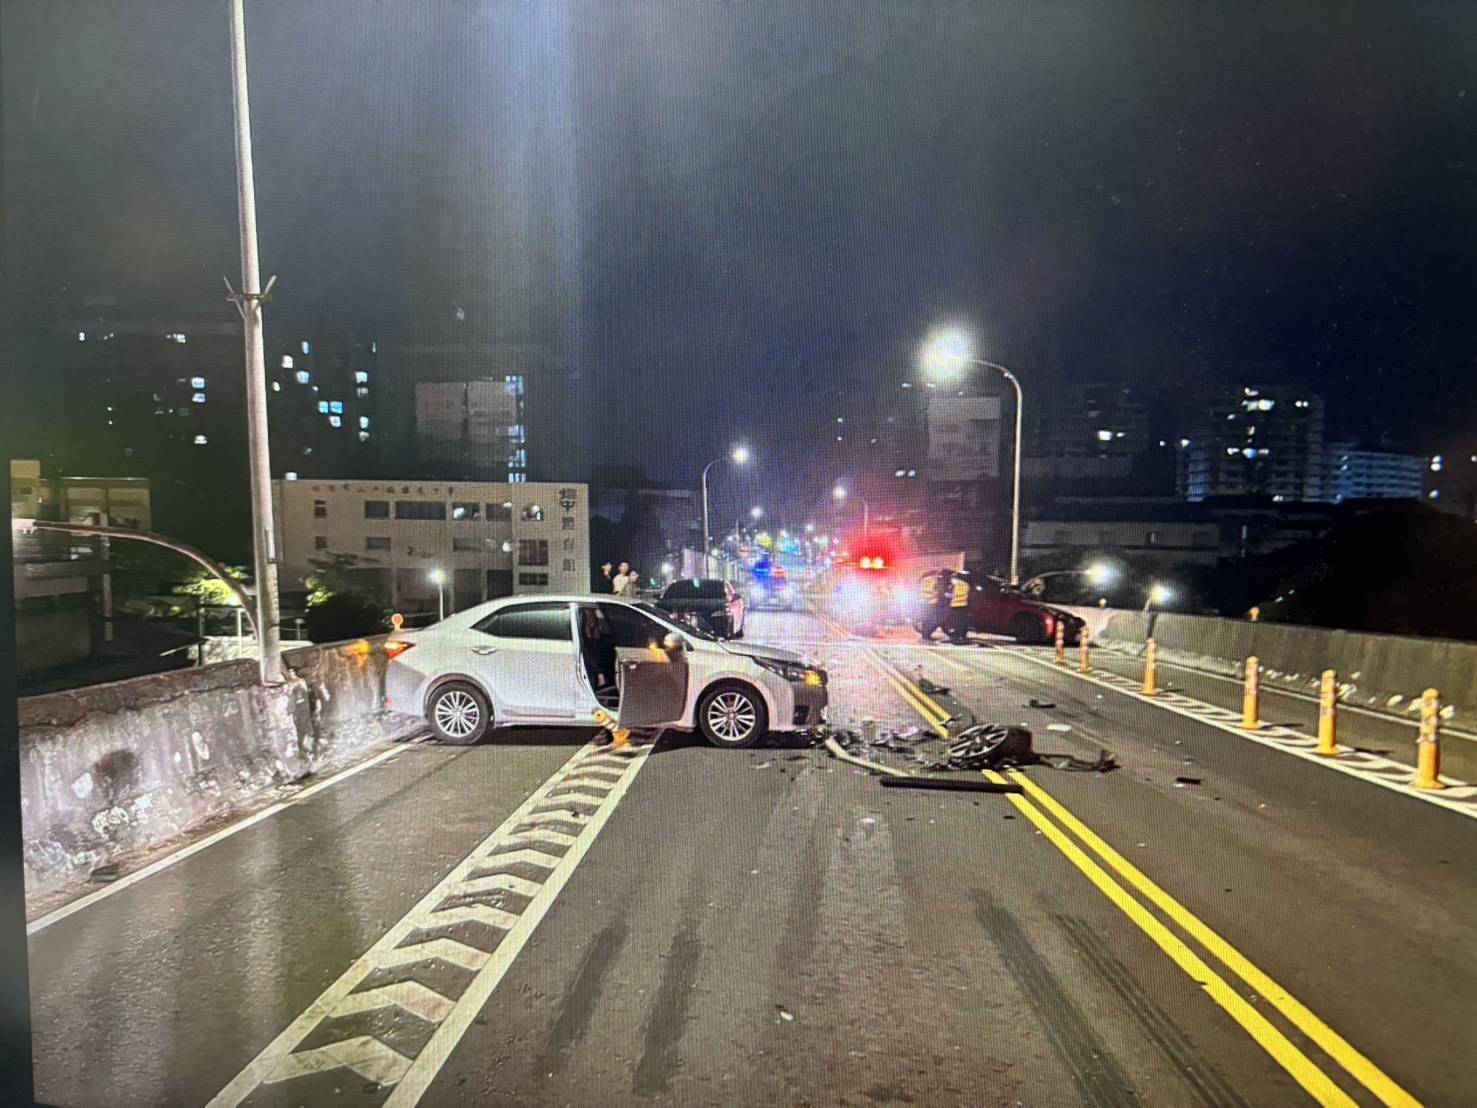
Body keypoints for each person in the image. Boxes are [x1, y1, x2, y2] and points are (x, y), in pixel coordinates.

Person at [579, 607, 619, 708]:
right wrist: (600, 673)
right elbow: (589, 655)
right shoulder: (586, 641)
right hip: (592, 669)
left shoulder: (594, 637)